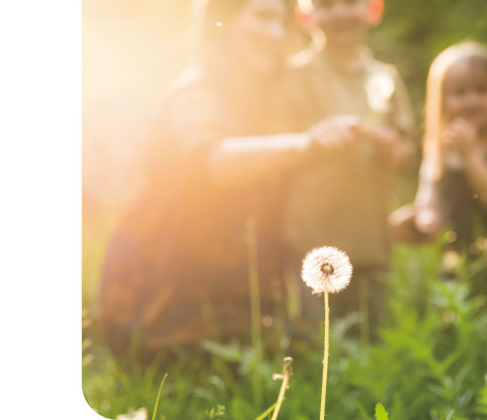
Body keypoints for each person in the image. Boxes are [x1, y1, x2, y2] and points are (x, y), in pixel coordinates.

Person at [97, 0, 361, 359]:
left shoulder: (275, 98)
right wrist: (307, 144)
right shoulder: (194, 93)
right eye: (263, 17)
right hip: (164, 294)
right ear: (224, 21)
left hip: (244, 296)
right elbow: (212, 162)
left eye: (284, 21)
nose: (276, 33)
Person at [278, 0, 417, 335]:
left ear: (373, 9)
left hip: (371, 243)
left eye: (350, 2)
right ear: (305, 14)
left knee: (368, 339)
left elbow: (406, 153)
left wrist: (392, 150)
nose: (340, 12)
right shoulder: (293, 76)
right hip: (308, 241)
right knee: (314, 341)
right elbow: (279, 150)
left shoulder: (385, 77)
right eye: (326, 4)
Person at [390, 42, 487, 254]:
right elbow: (429, 204)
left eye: (482, 90)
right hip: (453, 264)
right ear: (443, 101)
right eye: (460, 93)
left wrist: (471, 155)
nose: (471, 100)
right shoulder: (441, 151)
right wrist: (423, 220)